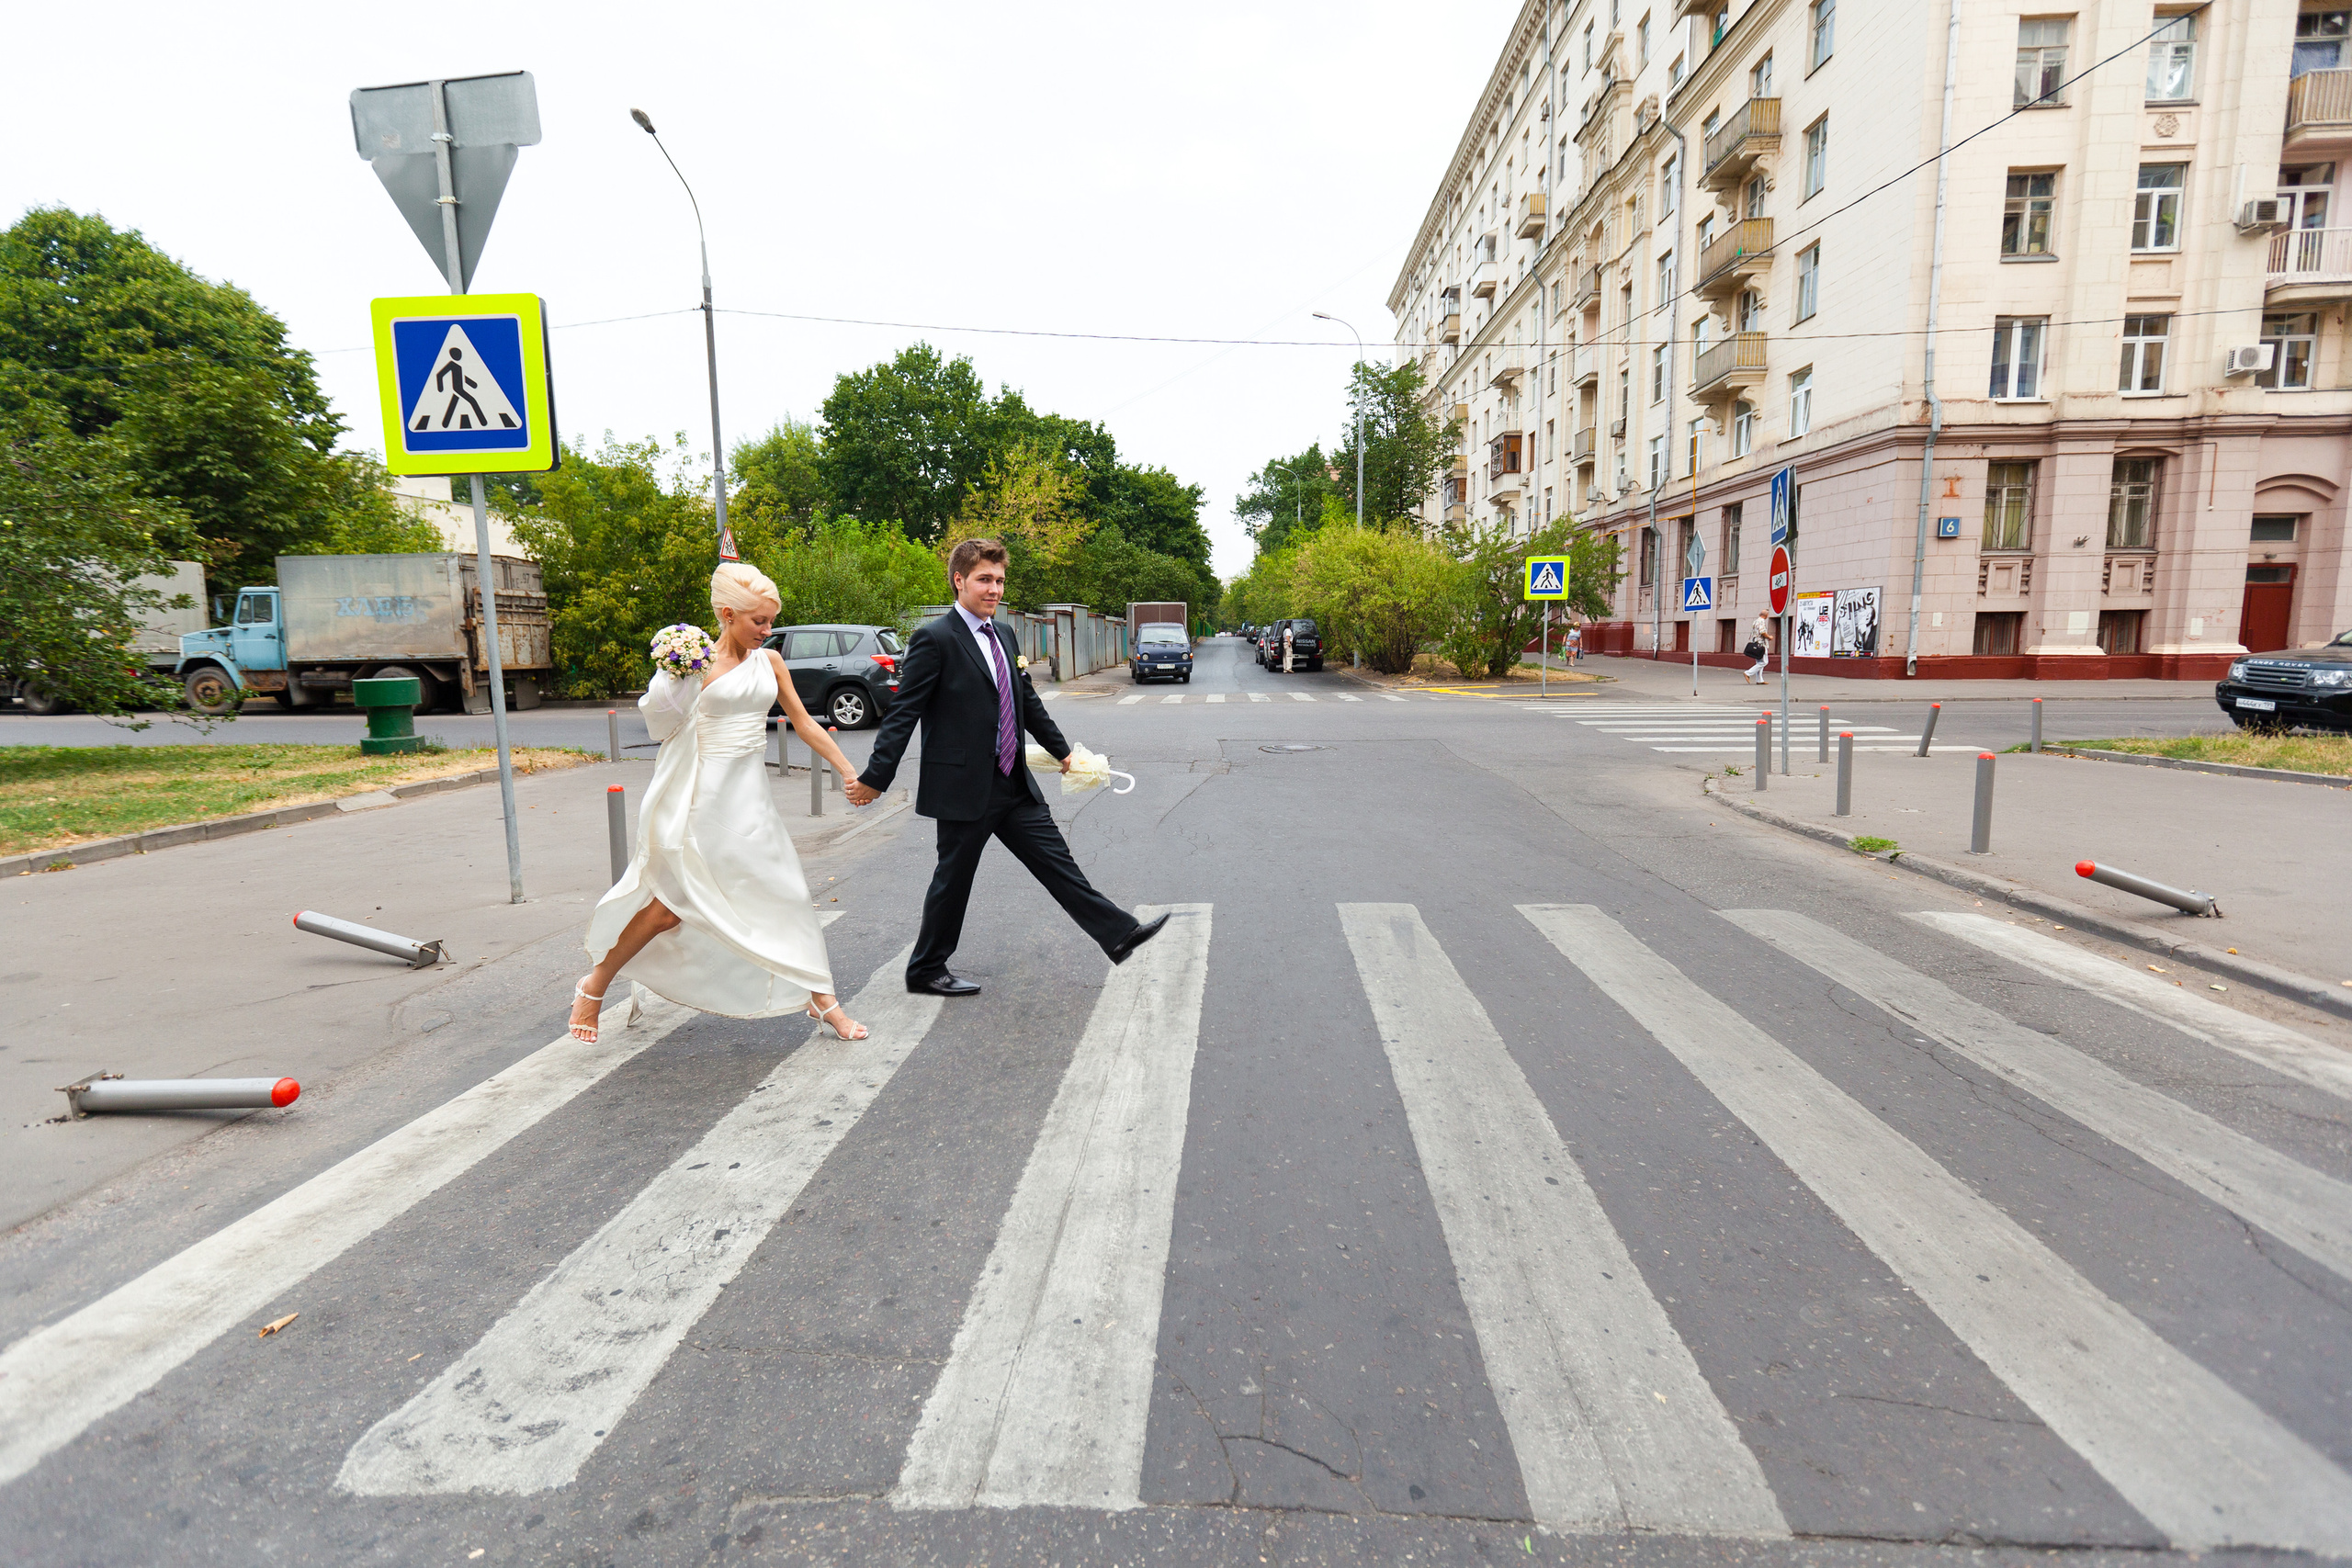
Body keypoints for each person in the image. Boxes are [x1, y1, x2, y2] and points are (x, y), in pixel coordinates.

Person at [843, 537, 1165, 996]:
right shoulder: (934, 639)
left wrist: (1064, 754)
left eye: (999, 581)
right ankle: (926, 969)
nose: (994, 589)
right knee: (952, 881)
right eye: (984, 580)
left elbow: (1025, 701)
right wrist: (877, 777)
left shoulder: (1005, 635)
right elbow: (904, 713)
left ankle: (1118, 933)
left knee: (1058, 862)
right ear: (959, 580)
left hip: (1013, 780)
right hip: (962, 785)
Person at [568, 563, 868, 1044]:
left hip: (752, 802)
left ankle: (822, 1000)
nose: (768, 631)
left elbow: (806, 722)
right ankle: (595, 986)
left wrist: (848, 769)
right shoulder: (694, 666)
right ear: (728, 614)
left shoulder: (769, 663)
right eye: (759, 622)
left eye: (771, 622)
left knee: (786, 893)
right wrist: (675, 678)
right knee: (669, 910)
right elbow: (660, 725)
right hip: (701, 800)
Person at [1744, 610, 1772, 684]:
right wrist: (1769, 637)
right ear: (1766, 615)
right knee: (1764, 662)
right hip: (1761, 644)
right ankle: (1748, 673)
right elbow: (1762, 632)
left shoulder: (1756, 621)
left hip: (1756, 643)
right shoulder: (1762, 621)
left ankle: (1759, 680)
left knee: (1759, 662)